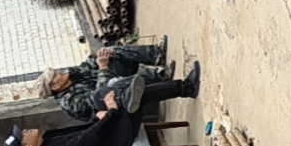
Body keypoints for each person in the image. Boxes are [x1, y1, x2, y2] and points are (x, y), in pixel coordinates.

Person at [40, 43, 200, 123]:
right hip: (117, 108)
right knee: (116, 84)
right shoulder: (71, 103)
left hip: (114, 90)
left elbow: (88, 65)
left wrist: (100, 56)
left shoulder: (71, 75)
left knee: (110, 52)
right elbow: (101, 96)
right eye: (56, 75)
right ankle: (166, 79)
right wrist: (103, 67)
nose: (59, 72)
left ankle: (155, 55)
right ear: (55, 87)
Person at [5, 90, 142, 146]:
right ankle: (158, 81)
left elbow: (84, 133)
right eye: (22, 135)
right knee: (129, 103)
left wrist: (98, 118)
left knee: (107, 96)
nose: (25, 131)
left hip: (108, 143)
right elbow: (90, 138)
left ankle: (155, 80)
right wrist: (112, 111)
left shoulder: (47, 143)